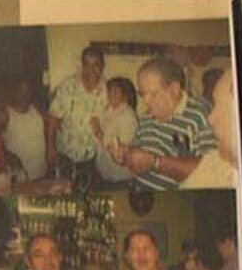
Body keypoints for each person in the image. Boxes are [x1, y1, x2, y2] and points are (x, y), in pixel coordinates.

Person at [111, 57, 216, 193]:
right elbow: (138, 161)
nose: (146, 102)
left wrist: (155, 162)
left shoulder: (201, 113)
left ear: (174, 89)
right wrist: (126, 155)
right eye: (142, 94)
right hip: (137, 191)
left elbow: (209, 171)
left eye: (153, 94)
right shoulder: (147, 117)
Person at [47, 46, 111, 185]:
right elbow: (53, 117)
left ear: (102, 66)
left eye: (96, 64)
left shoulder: (109, 90)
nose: (91, 69)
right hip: (64, 156)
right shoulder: (68, 85)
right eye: (87, 64)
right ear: (82, 65)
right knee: (62, 191)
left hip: (91, 160)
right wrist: (50, 147)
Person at [0, 77, 47, 183]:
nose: (24, 95)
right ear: (13, 91)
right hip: (21, 179)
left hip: (42, 174)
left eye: (28, 91)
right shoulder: (5, 114)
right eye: (20, 91)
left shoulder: (37, 109)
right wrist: (7, 155)